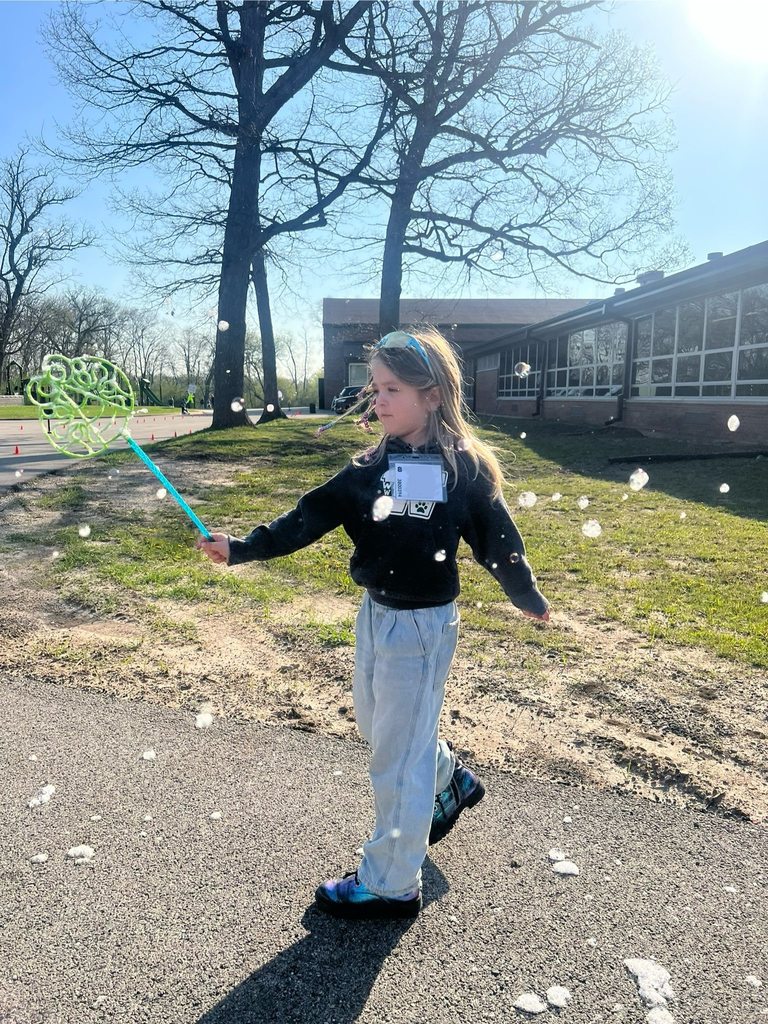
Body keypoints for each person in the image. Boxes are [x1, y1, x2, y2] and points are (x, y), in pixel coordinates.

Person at [196, 327, 550, 921]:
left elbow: (497, 538)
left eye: (391, 389)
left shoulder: (463, 471)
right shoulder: (371, 466)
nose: (377, 400)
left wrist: (524, 591)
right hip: (375, 614)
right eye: (375, 388)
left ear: (432, 395)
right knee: (381, 727)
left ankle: (391, 882)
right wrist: (243, 548)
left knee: (395, 757)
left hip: (422, 626)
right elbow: (309, 516)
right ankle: (451, 780)